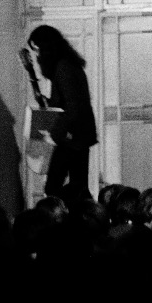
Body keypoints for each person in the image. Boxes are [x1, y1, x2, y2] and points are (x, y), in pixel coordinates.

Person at [27, 25, 98, 201]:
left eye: (38, 49)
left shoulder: (63, 68)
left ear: (47, 48)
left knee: (54, 187)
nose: (37, 55)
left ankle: (59, 214)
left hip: (71, 137)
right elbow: (68, 103)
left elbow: (72, 108)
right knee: (78, 187)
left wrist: (53, 136)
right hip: (78, 136)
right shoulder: (68, 65)